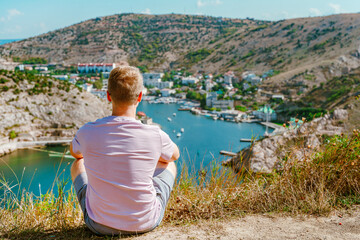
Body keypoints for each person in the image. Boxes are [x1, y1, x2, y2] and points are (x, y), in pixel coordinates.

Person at [70, 66, 180, 235]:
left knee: (78, 164)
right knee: (169, 163)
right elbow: (175, 155)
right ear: (140, 97)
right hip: (145, 222)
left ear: (108, 96)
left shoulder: (87, 131)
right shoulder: (154, 134)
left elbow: (76, 153)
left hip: (98, 225)